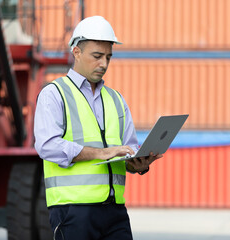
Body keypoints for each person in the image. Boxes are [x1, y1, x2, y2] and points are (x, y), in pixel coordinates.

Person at [34, 16, 163, 240]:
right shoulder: (54, 94)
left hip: (115, 211)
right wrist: (103, 153)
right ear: (76, 52)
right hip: (73, 211)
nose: (103, 64)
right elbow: (47, 146)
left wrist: (137, 163)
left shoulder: (116, 100)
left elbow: (127, 149)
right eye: (97, 56)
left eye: (108, 57)